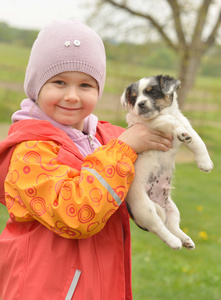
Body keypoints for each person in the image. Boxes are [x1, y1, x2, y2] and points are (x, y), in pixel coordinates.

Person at [0, 20, 173, 300]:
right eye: (58, 82)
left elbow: (140, 188)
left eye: (85, 85)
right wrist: (125, 148)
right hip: (46, 290)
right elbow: (76, 213)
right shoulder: (30, 151)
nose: (71, 96)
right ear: (36, 85)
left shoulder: (107, 137)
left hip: (102, 285)